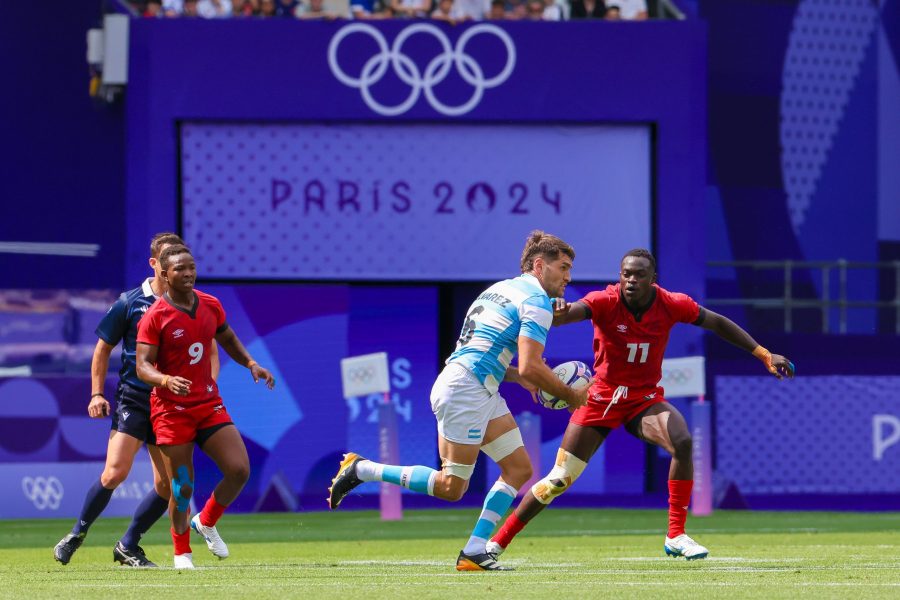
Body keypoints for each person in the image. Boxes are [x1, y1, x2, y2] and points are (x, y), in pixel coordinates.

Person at [486, 249, 795, 560]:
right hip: (600, 399)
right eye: (626, 274)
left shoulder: (672, 304)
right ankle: (496, 543)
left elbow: (716, 323)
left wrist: (764, 354)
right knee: (558, 480)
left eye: (638, 275)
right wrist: (559, 311)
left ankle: (676, 534)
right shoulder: (605, 300)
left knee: (683, 441)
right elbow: (575, 311)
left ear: (653, 280)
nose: (631, 280)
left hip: (642, 400)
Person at [328, 231, 591, 571]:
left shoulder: (498, 290)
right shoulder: (536, 302)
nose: (568, 277)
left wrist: (523, 379)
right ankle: (362, 469)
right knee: (451, 487)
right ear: (540, 265)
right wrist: (571, 396)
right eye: (563, 267)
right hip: (466, 391)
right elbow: (531, 365)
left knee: (519, 469)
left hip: (473, 385)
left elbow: (495, 357)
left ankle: (475, 551)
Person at [54, 233, 219, 567]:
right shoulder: (130, 302)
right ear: (155, 264)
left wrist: (207, 386)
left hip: (171, 405)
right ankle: (77, 533)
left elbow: (211, 347)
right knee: (114, 473)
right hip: (135, 399)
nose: (173, 268)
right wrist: (96, 393)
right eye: (166, 261)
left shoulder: (193, 302)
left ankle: (128, 544)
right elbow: (103, 348)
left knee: (168, 487)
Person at [135, 244, 275, 569]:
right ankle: (181, 552)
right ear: (165, 274)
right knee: (182, 487)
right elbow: (142, 365)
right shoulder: (155, 316)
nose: (187, 273)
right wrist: (165, 380)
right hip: (172, 412)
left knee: (239, 469)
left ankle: (207, 520)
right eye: (180, 269)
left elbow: (227, 339)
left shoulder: (210, 304)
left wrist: (251, 363)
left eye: (191, 267)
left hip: (208, 404)